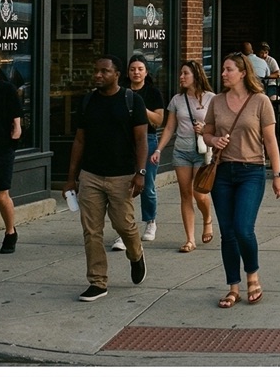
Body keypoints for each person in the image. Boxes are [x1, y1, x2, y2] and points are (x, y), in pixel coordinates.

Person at [202, 52, 280, 308]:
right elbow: (206, 132)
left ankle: (252, 276)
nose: (223, 74)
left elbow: (270, 140)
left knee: (243, 229)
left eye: (228, 69)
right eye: (223, 69)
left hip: (252, 171)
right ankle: (233, 287)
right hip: (223, 172)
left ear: (242, 72)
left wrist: (278, 175)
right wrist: (214, 140)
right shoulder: (217, 101)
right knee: (227, 233)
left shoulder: (260, 101)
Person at [63, 54, 148, 301]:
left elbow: (141, 140)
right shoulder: (88, 101)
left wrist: (140, 173)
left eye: (104, 71)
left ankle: (136, 255)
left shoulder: (132, 101)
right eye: (96, 71)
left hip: (122, 176)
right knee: (92, 231)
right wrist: (71, 178)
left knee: (124, 226)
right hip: (91, 175)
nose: (98, 75)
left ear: (116, 74)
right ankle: (98, 282)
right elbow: (80, 140)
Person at [150, 60, 216, 252]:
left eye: (185, 73)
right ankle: (190, 239)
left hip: (202, 151)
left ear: (196, 75)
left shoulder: (211, 98)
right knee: (185, 194)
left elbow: (218, 126)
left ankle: (207, 218)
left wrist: (205, 129)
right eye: (181, 73)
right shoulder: (177, 100)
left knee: (199, 193)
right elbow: (170, 127)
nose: (181, 77)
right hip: (181, 151)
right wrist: (159, 149)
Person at [119, 54, 165, 246]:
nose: (136, 72)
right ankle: (125, 229)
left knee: (147, 184)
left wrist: (139, 106)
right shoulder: (121, 91)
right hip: (124, 141)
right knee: (123, 186)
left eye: (140, 69)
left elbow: (158, 120)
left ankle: (150, 221)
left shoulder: (153, 93)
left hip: (148, 140)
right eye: (132, 69)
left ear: (146, 72)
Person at [0, 49, 23, 253]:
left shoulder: (6, 89)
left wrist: (12, 141)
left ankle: (10, 232)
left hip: (0, 148)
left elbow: (17, 125)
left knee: (1, 194)